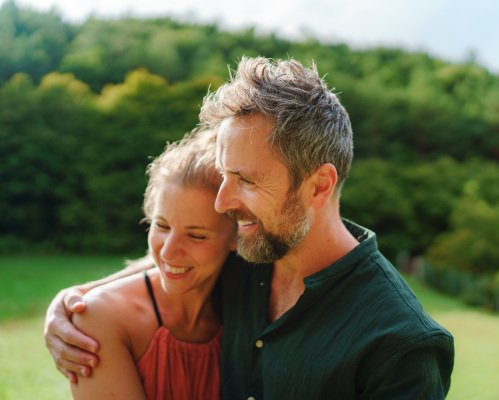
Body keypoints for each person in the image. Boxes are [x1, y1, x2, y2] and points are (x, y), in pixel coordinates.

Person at [45, 57, 455, 399]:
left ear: (320, 186)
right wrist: (76, 298)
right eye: (224, 175)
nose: (222, 202)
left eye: (248, 180)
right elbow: (175, 259)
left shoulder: (401, 346)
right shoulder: (248, 251)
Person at [67, 129, 237, 399]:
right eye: (161, 225)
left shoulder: (246, 307)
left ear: (238, 236)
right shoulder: (101, 315)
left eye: (196, 235)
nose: (168, 252)